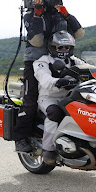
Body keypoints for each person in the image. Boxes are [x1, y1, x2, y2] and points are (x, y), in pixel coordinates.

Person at [13, 0, 84, 153]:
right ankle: (21, 138)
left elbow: (79, 34)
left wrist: (65, 12)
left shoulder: (59, 14)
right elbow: (36, 41)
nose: (49, 2)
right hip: (37, 61)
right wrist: (37, 14)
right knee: (31, 99)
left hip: (62, 58)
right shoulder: (30, 15)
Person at [33, 31, 83, 164]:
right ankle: (48, 149)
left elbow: (89, 69)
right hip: (48, 98)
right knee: (54, 113)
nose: (64, 50)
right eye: (60, 47)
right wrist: (58, 82)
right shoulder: (42, 62)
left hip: (70, 97)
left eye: (66, 47)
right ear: (52, 47)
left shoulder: (74, 61)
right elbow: (44, 79)